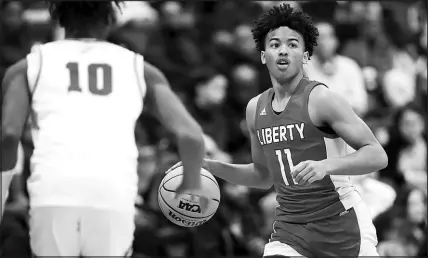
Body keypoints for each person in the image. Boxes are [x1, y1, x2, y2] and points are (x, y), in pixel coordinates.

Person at [169, 3, 388, 257]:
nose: (283, 51)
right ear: (263, 55)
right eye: (274, 45)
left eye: (293, 44)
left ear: (306, 56)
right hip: (290, 229)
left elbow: (377, 155)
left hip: (342, 225)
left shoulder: (322, 99)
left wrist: (326, 166)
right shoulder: (255, 108)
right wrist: (212, 167)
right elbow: (262, 176)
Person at [1, 1, 208, 256]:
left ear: (58, 20)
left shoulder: (28, 66)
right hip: (113, 194)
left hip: (54, 190)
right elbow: (191, 136)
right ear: (110, 20)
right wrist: (191, 184)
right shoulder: (141, 69)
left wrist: (3, 192)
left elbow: (9, 135)